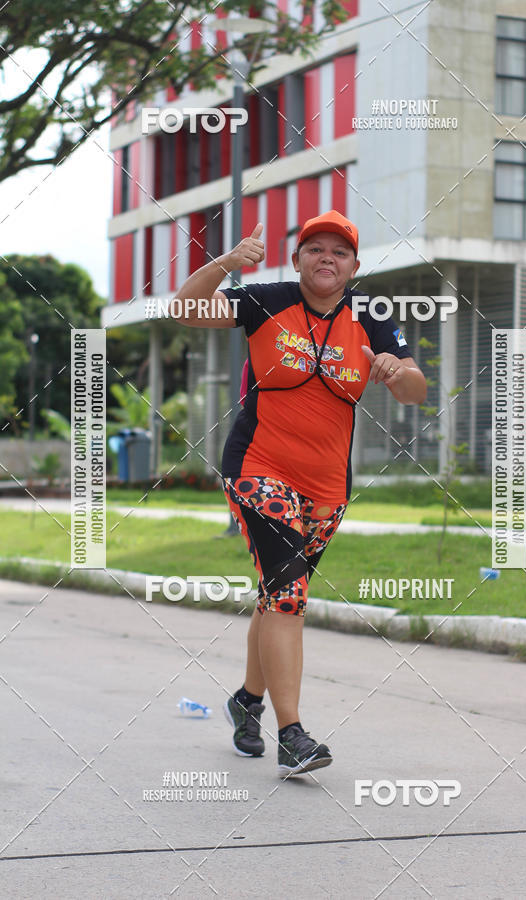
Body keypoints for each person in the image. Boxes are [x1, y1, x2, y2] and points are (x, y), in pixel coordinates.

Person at [171, 210, 427, 775]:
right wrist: (225, 262)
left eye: (339, 251)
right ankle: (292, 735)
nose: (326, 258)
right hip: (259, 469)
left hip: (328, 486)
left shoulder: (370, 315)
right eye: (315, 248)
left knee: (276, 594)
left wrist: (394, 369)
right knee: (288, 595)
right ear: (297, 260)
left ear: (353, 265)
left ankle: (247, 701)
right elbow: (185, 309)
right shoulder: (267, 300)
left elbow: (416, 390)